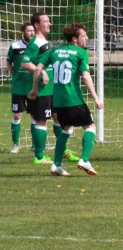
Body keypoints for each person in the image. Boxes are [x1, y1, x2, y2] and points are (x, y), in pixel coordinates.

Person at [29, 24, 103, 176]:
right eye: (84, 36)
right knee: (90, 127)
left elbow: (37, 69)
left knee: (66, 129)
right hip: (74, 98)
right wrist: (96, 98)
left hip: (58, 101)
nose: (87, 38)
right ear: (75, 39)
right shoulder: (81, 53)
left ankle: (56, 165)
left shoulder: (53, 51)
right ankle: (84, 159)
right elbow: (86, 76)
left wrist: (35, 89)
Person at [21, 12, 79, 164]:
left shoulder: (45, 41)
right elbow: (25, 63)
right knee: (41, 120)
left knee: (60, 118)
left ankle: (63, 150)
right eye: (46, 21)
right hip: (42, 89)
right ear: (37, 25)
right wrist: (41, 72)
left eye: (49, 21)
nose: (49, 23)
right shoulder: (34, 43)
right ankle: (39, 156)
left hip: (54, 89)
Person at [6, 22, 35, 154]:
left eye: (33, 30)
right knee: (17, 115)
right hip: (18, 87)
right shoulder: (15, 46)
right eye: (29, 31)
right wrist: (14, 75)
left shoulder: (37, 45)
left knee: (35, 115)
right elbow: (9, 61)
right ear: (22, 32)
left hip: (32, 86)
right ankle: (16, 144)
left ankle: (35, 144)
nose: (32, 33)